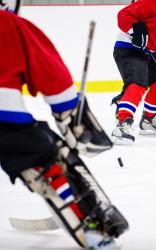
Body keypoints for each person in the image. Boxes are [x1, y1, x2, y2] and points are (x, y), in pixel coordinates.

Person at [0, 2, 128, 249]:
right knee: (53, 160)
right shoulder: (9, 24)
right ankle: (94, 232)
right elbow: (56, 83)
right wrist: (72, 121)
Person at [111, 0, 156, 145]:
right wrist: (135, 28)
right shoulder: (151, 3)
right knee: (138, 83)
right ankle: (122, 124)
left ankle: (148, 120)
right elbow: (124, 14)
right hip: (128, 48)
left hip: (148, 55)